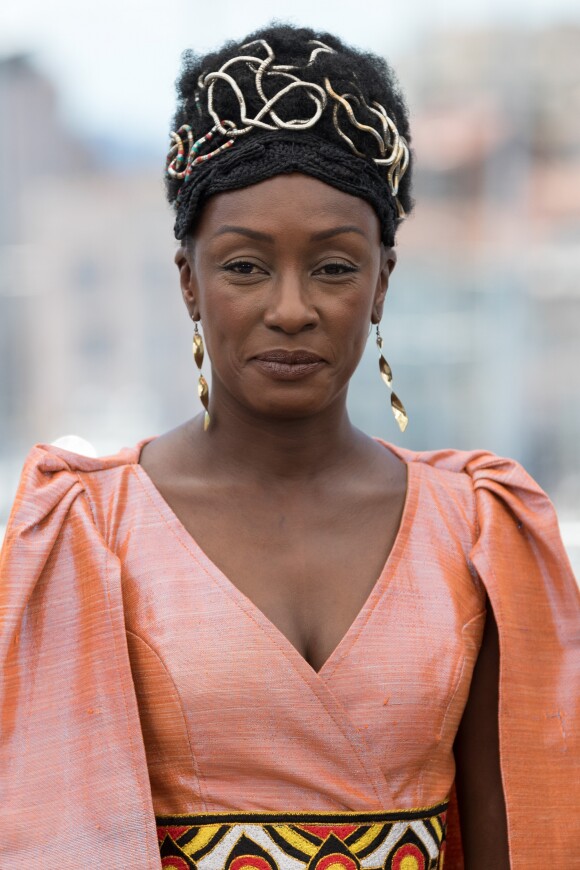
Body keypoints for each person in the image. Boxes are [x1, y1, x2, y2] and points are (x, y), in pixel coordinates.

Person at [1, 23, 578, 870]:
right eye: (244, 267)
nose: (292, 308)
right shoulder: (84, 531)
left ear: (383, 282)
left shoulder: (482, 530)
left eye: (336, 268)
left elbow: (526, 839)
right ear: (188, 280)